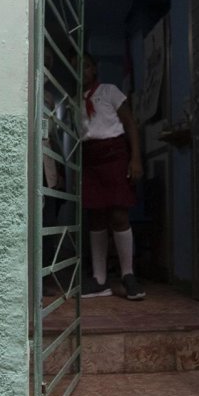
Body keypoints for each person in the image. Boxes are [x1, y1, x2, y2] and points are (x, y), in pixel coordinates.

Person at [79, 53, 145, 301]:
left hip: (114, 154)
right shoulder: (74, 100)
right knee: (95, 216)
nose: (82, 72)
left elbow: (130, 124)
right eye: (77, 68)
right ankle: (99, 279)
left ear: (94, 69)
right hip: (90, 158)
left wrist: (135, 158)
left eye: (86, 66)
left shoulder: (109, 91)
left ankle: (128, 275)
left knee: (118, 214)